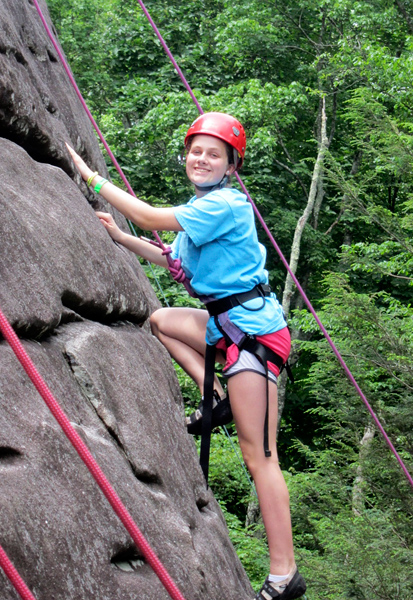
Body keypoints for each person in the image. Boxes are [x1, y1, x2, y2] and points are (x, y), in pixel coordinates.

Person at [67, 112, 306, 600]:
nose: (202, 158)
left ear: (230, 165)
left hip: (253, 334)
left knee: (259, 457)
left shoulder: (226, 204)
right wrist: (118, 237)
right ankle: (215, 396)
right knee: (162, 322)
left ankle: (285, 574)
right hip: (224, 322)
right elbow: (173, 261)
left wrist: (92, 179)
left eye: (213, 153)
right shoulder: (202, 209)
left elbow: (154, 217)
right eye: (196, 150)